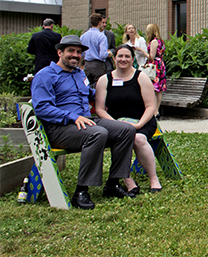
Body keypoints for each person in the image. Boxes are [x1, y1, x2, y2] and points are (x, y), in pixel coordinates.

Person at [31, 35, 136, 209]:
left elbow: (90, 94)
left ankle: (113, 184)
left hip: (86, 122)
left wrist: (117, 97)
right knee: (98, 133)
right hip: (60, 128)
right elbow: (42, 107)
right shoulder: (45, 76)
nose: (75, 55)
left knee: (126, 130)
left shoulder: (79, 74)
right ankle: (81, 192)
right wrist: (72, 117)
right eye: (71, 51)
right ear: (59, 52)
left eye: (79, 52)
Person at [95, 45, 161, 193]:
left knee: (138, 139)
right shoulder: (104, 80)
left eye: (127, 56)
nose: (123, 59)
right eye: (120, 56)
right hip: (116, 123)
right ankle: (128, 180)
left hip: (142, 121)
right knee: (121, 139)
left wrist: (138, 125)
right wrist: (115, 124)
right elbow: (99, 109)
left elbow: (151, 106)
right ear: (114, 58)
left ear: (132, 59)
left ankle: (154, 179)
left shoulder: (141, 77)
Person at [81, 13, 110, 86]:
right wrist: (109, 54)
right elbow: (103, 55)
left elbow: (81, 53)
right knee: (100, 87)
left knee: (87, 86)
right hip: (98, 65)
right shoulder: (101, 36)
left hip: (87, 65)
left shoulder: (83, 36)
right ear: (99, 22)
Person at [145, 24, 167, 116]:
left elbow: (151, 57)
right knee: (159, 88)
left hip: (155, 66)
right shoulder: (161, 41)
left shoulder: (154, 42)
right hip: (160, 65)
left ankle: (154, 110)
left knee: (153, 88)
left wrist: (142, 52)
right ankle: (156, 110)